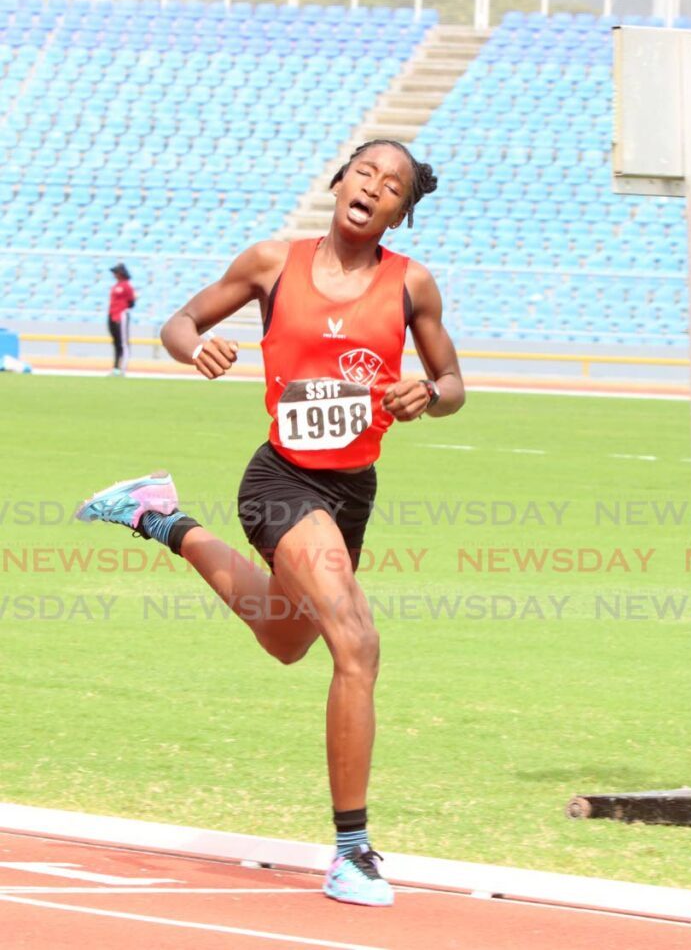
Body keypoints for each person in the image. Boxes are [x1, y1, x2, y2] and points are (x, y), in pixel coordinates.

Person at [76, 140, 466, 904]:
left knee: (288, 637)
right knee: (357, 641)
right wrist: (198, 348)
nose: (374, 189)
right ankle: (352, 851)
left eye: (393, 187)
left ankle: (161, 516)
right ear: (339, 180)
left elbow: (453, 379)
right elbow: (178, 322)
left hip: (352, 494)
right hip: (281, 481)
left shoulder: (413, 285)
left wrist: (431, 393)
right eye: (365, 173)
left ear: (401, 212)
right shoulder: (270, 262)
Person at [107, 262, 135, 375]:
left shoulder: (126, 286)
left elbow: (131, 302)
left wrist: (122, 310)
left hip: (121, 315)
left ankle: (122, 368)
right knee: (116, 342)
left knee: (123, 342)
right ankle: (115, 367)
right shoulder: (116, 286)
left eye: (116, 272)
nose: (114, 274)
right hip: (112, 314)